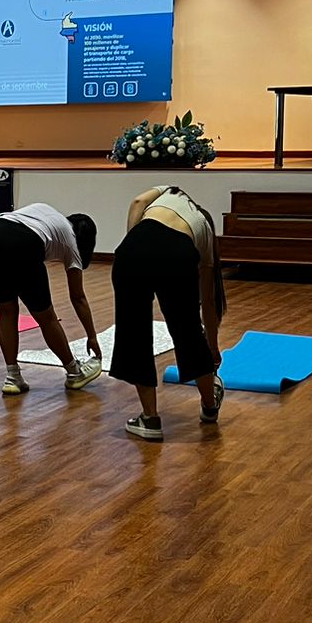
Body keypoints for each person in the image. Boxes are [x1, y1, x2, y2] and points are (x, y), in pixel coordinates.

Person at [110, 185, 226, 441]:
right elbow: (207, 302)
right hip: (177, 254)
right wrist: (212, 347)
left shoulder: (170, 192)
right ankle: (209, 406)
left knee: (134, 333)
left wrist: (134, 244)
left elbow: (137, 201)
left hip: (134, 249)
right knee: (188, 332)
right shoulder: (205, 233)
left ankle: (150, 419)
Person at [0, 204, 103, 395]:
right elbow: (78, 297)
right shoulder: (71, 240)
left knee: (7, 312)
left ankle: (13, 377)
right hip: (22, 243)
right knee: (47, 318)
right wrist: (92, 336)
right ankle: (75, 373)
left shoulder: (46, 214)